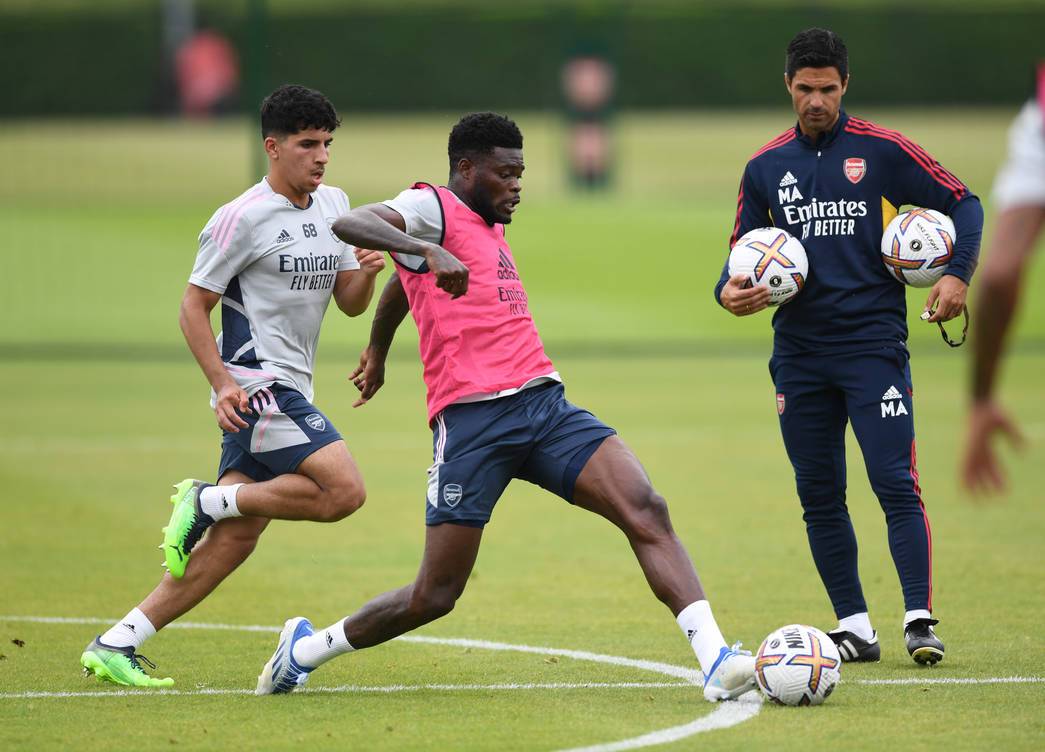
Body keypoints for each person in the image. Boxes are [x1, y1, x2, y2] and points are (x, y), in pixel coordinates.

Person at [255, 112, 757, 703]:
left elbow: (404, 283)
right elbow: (350, 221)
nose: (517, 185)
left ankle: (716, 659)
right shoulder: (431, 206)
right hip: (472, 425)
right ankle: (307, 650)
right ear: (466, 169)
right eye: (506, 173)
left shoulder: (486, 224)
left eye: (521, 173)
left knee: (646, 507)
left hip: (545, 405)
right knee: (434, 596)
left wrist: (379, 346)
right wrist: (423, 249)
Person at [80, 84, 385, 687]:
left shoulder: (336, 205)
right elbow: (193, 308)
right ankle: (205, 498)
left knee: (235, 539)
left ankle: (118, 641)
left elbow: (348, 303)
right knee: (345, 491)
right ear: (272, 147)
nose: (321, 156)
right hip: (255, 385)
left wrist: (367, 271)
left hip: (292, 385)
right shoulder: (240, 217)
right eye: (306, 144)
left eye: (327, 143)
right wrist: (222, 385)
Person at [715, 29, 984, 666]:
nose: (816, 101)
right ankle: (855, 627)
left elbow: (965, 204)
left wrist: (957, 274)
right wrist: (727, 294)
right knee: (819, 492)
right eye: (805, 89)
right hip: (800, 357)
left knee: (894, 480)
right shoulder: (764, 167)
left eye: (828, 89)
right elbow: (735, 260)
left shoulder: (882, 151)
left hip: (873, 349)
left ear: (845, 86)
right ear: (788, 86)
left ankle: (919, 620)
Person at [961, 64, 1045, 493]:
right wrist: (981, 399)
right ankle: (981, 407)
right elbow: (996, 279)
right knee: (996, 277)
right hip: (1041, 140)